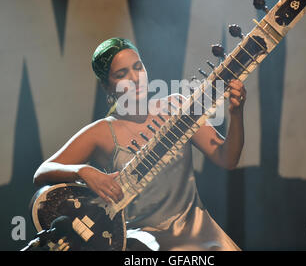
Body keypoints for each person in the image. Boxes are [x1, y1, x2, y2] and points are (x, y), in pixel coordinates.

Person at [33, 37, 246, 251]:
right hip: (143, 244)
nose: (135, 78)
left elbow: (227, 159)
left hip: (201, 234)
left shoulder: (177, 106)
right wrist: (83, 172)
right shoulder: (102, 132)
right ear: (107, 86)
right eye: (121, 74)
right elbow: (43, 172)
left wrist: (236, 114)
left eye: (138, 67)